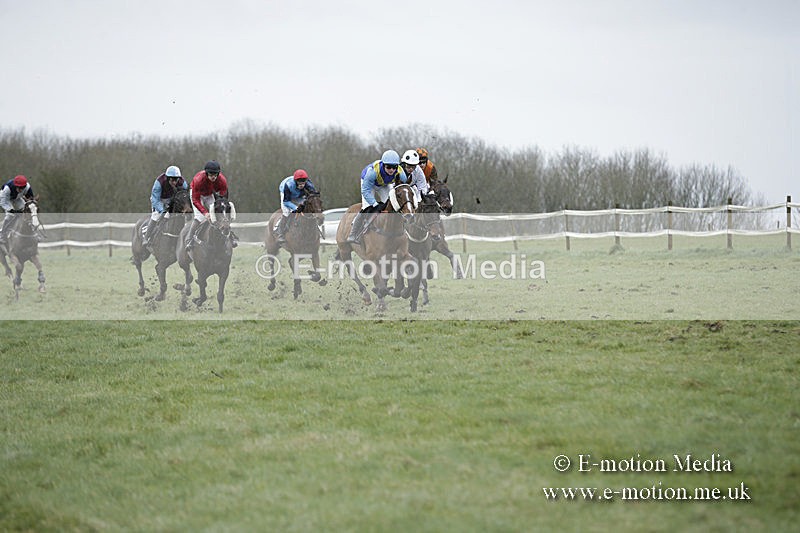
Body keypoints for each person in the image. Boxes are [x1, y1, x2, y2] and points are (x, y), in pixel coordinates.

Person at [346, 150, 410, 244]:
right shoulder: (372, 172)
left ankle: (399, 229)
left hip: (384, 185)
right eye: (388, 167)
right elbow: (365, 191)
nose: (391, 170)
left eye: (394, 167)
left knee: (392, 205)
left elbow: (402, 187)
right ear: (383, 165)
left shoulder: (400, 173)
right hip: (369, 185)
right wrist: (375, 203)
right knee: (367, 208)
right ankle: (353, 234)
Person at [185, 160, 231, 251]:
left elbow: (222, 198)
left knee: (218, 214)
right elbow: (195, 200)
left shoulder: (222, 180)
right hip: (197, 196)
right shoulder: (198, 180)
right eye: (210, 174)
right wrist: (205, 213)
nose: (213, 177)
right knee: (200, 217)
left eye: (215, 174)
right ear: (206, 173)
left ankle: (230, 237)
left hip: (209, 194)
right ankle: (189, 240)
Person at [142, 165, 188, 249]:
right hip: (159, 199)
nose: (174, 182)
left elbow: (184, 195)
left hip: (172, 199)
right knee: (156, 215)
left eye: (176, 180)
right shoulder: (159, 182)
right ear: (167, 178)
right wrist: (162, 210)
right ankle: (147, 237)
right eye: (172, 180)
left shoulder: (182, 183)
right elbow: (155, 199)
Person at [274, 169, 318, 244]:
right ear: (295, 182)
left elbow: (313, 197)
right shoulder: (288, 185)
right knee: (287, 212)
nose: (301, 185)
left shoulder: (309, 185)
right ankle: (280, 232)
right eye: (299, 183)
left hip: (299, 195)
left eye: (303, 183)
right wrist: (296, 208)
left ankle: (315, 230)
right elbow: (286, 202)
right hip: (286, 195)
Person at [0, 175, 35, 246]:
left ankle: (33, 233)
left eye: (22, 187)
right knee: (10, 216)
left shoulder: (27, 187)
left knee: (26, 212)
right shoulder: (7, 189)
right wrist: (11, 210)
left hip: (17, 199)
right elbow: (3, 202)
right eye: (19, 187)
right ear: (15, 185)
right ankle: (2, 235)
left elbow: (31, 199)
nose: (21, 190)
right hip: (7, 200)